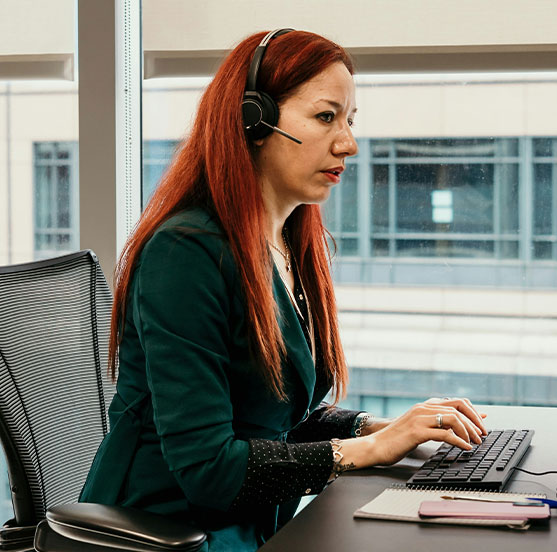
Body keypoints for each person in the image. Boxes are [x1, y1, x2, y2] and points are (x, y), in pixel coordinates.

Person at [80, 29, 487, 551]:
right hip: (170, 532)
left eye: (350, 120)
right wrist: (371, 448)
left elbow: (272, 415)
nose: (348, 143)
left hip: (255, 524)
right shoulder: (185, 253)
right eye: (325, 117)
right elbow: (210, 469)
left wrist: (376, 428)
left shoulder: (286, 242)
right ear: (255, 119)